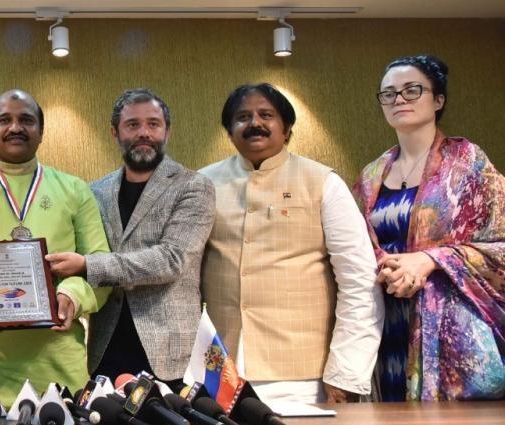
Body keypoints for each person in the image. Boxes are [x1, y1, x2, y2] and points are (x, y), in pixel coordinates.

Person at [199, 83, 382, 404]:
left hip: (303, 375)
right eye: (242, 117)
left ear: (287, 129)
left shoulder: (322, 181)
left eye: (266, 115)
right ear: (229, 133)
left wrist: (345, 373)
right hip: (220, 372)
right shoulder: (202, 185)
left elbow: (359, 280)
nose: (254, 123)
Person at [0, 89, 110, 403]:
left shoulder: (74, 189)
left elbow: (101, 266)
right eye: (4, 120)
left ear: (41, 132)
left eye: (26, 120)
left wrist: (71, 296)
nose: (15, 127)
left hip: (57, 359)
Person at [353, 54, 505, 401]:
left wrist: (430, 260)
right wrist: (389, 267)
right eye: (388, 93)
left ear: (438, 100)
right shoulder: (370, 175)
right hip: (387, 320)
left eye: (412, 90)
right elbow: (354, 246)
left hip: (450, 329)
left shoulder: (468, 163)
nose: (399, 99)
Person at [45, 88, 214, 384]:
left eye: (153, 124)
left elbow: (172, 260)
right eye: (132, 125)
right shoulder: (94, 192)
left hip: (168, 351)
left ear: (167, 131)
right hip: (106, 348)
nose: (144, 133)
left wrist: (88, 265)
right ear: (115, 133)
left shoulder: (194, 187)